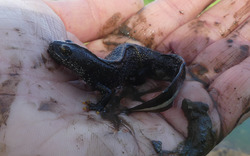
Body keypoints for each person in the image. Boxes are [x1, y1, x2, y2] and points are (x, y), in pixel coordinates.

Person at [0, 0, 249, 155]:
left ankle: (168, 77)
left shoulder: (93, 73)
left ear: (76, 60)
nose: (58, 50)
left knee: (142, 72)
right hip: (132, 54)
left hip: (139, 58)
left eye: (65, 50)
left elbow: (107, 92)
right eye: (65, 50)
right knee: (133, 64)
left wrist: (100, 106)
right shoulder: (87, 68)